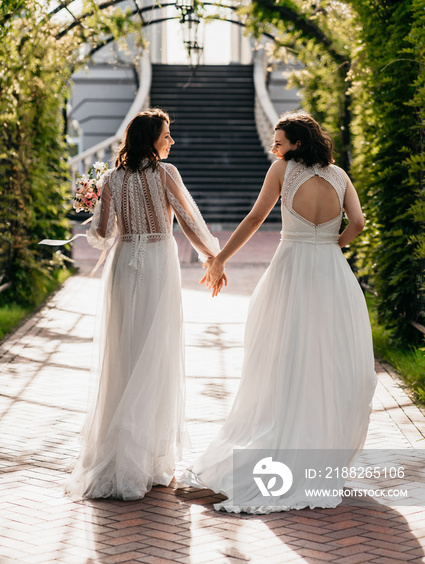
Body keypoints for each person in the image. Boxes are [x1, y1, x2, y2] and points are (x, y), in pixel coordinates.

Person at [180, 110, 377, 513]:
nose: (274, 147)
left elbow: (255, 218)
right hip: (333, 274)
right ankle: (320, 454)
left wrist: (219, 259)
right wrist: (331, 246)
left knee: (284, 356)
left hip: (292, 270)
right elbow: (357, 222)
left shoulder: (282, 171)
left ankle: (283, 445)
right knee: (330, 359)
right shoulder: (339, 175)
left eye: (280, 141)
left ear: (297, 145)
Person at [66, 108, 225, 500]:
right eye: (166, 135)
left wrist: (95, 205)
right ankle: (152, 459)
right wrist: (214, 254)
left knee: (126, 350)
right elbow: (188, 222)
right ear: (150, 138)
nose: (171, 141)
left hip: (124, 264)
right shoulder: (166, 174)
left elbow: (103, 234)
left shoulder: (111, 179)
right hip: (156, 262)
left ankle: (126, 455)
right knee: (157, 352)